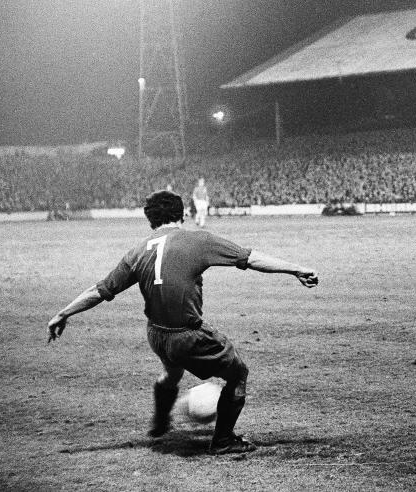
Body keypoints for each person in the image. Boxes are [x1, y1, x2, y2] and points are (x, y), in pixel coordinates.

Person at [46, 190, 319, 455]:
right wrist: (296, 268)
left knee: (172, 373)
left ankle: (160, 423)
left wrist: (63, 313)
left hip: (157, 335)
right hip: (186, 335)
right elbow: (249, 258)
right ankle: (224, 440)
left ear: (150, 220)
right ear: (183, 214)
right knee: (238, 374)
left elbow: (100, 291)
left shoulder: (138, 251)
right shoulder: (197, 241)